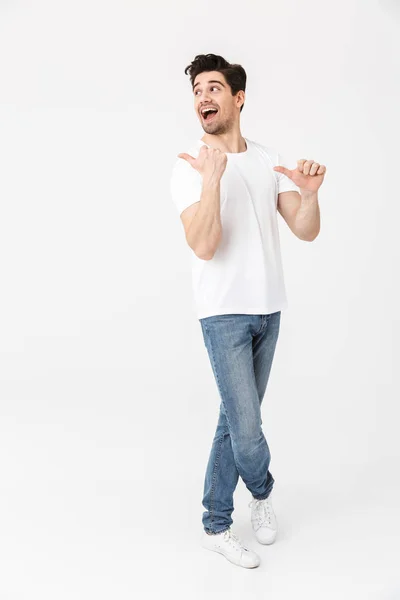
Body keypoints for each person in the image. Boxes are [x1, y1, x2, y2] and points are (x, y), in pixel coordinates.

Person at [169, 53, 325, 569]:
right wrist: (213, 180)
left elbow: (305, 229)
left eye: (214, 88)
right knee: (248, 428)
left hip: (269, 310)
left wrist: (308, 195)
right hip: (224, 314)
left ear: (238, 98)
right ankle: (261, 491)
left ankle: (215, 522)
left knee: (232, 423)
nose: (203, 98)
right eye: (197, 91)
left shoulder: (264, 158)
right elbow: (206, 245)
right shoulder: (189, 167)